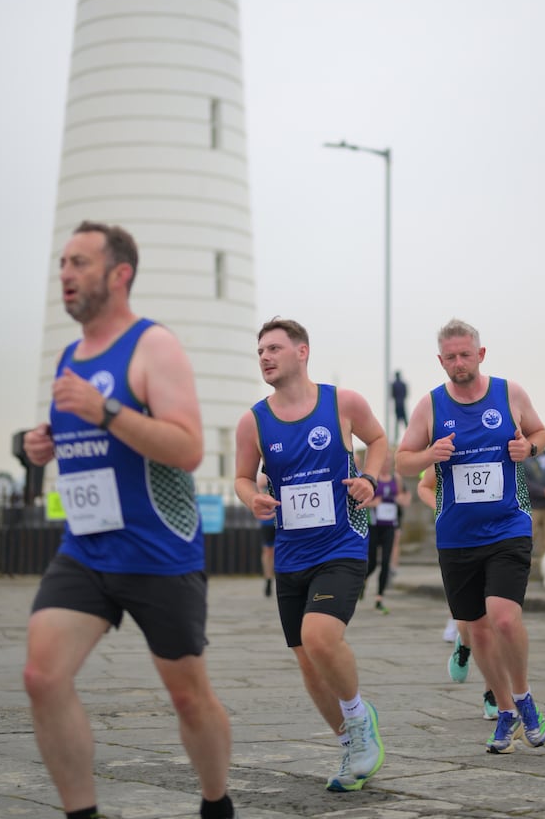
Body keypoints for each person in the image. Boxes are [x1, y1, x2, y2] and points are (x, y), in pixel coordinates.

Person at [21, 221, 236, 819]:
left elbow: (188, 447)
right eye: (63, 262)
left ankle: (217, 804)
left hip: (158, 552)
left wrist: (107, 408)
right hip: (86, 548)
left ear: (119, 275)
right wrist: (47, 443)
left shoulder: (153, 346)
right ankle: (82, 814)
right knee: (42, 674)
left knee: (188, 698)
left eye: (80, 263)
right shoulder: (71, 354)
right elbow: (90, 439)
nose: (65, 274)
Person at [234, 317, 388, 793]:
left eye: (274, 348)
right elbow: (241, 478)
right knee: (306, 658)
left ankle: (360, 720)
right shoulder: (253, 420)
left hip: (342, 544)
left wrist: (371, 479)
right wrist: (250, 498)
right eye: (260, 350)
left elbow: (379, 441)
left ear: (302, 352)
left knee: (319, 637)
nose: (265, 356)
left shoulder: (343, 402)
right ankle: (351, 743)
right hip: (291, 554)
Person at [396, 318, 545, 755]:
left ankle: (523, 697)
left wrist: (530, 449)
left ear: (480, 355)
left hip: (508, 526)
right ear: (440, 360)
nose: (459, 363)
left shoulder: (509, 393)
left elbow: (540, 431)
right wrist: (429, 454)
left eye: (466, 354)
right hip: (457, 536)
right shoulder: (430, 405)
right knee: (476, 630)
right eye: (451, 357)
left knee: (503, 618)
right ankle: (504, 712)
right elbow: (403, 463)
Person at [417, 465, 499, 720]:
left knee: (497, 618)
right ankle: (463, 644)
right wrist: (442, 507)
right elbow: (424, 485)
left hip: (500, 537)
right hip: (459, 539)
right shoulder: (450, 443)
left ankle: (493, 693)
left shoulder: (499, 434)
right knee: (471, 619)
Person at [364, 449, 411, 614]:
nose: (386, 464)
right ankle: (362, 581)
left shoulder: (396, 479)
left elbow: (406, 499)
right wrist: (373, 503)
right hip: (374, 526)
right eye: (384, 460)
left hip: (390, 526)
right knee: (371, 563)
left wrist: (400, 499)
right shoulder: (373, 478)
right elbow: (362, 501)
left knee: (385, 562)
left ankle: (379, 598)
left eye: (389, 461)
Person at [257, 470, 276, 597]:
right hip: (267, 520)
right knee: (268, 550)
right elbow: (259, 485)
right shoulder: (263, 474)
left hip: (282, 518)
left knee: (278, 550)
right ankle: (268, 578)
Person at [390, 371, 408, 439]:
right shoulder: (403, 384)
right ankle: (408, 436)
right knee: (405, 422)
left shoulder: (394, 384)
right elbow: (406, 394)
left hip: (397, 404)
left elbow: (392, 395)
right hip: (402, 404)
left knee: (397, 422)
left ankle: (396, 437)